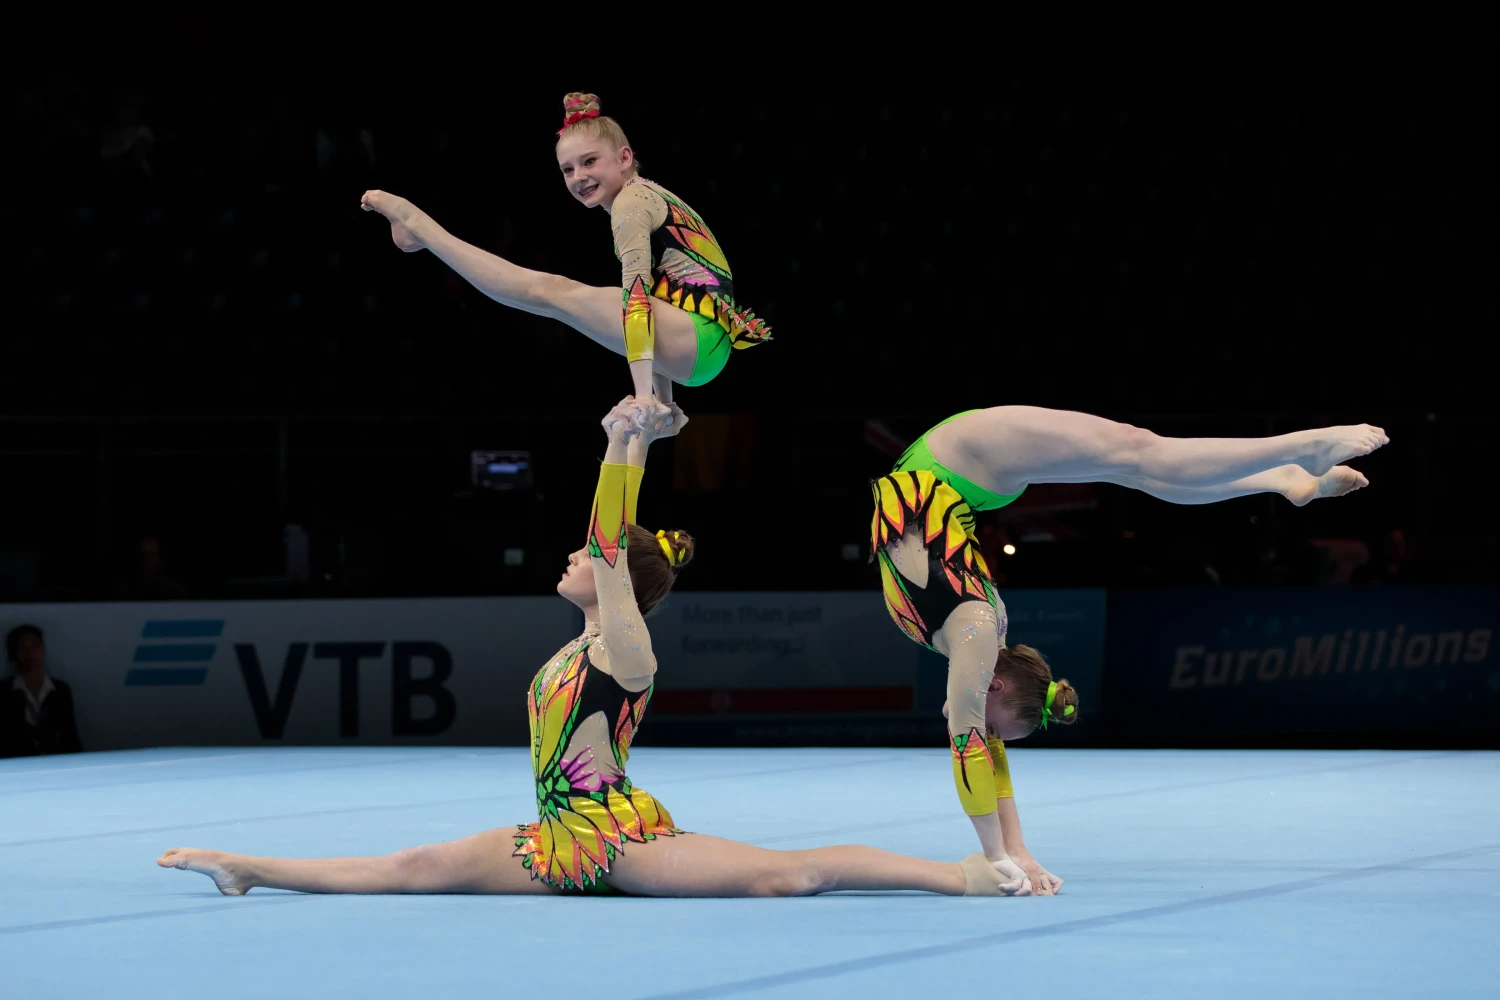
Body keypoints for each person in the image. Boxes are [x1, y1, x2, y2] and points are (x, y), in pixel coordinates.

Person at [158, 400, 1026, 899]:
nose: (571, 556)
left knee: (786, 879)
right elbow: (607, 545)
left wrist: (627, 446)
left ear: (619, 584)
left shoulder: (625, 649)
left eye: (587, 556)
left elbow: (609, 547)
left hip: (620, 841)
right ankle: (244, 865)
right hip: (552, 838)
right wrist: (623, 443)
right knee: (413, 866)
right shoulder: (581, 645)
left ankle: (967, 878)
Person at [871, 406, 1390, 894]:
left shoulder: (977, 632)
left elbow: (972, 748)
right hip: (964, 478)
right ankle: (1285, 475)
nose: (986, 734)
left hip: (955, 454)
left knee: (1139, 456)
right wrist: (1012, 854)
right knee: (1136, 461)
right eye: (995, 727)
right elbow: (983, 752)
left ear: (996, 686)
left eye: (992, 725)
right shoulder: (978, 644)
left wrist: (1001, 856)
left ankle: (1298, 454)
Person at [359, 92, 771, 415]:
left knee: (547, 292)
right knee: (552, 297)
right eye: (568, 169)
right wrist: (663, 401)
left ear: (624, 157)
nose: (579, 178)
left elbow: (638, 300)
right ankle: (423, 234)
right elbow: (668, 293)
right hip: (703, 348)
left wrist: (644, 396)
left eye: (589, 161)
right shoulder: (650, 194)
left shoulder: (632, 203)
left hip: (695, 338)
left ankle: (421, 228)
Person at [2, 624, 83, 758]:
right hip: (16, 766)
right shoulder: (4, 690)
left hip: (55, 764)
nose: (31, 653)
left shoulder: (60, 690)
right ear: (15, 653)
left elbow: (70, 736)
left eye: (35, 646)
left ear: (43, 649)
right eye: (23, 648)